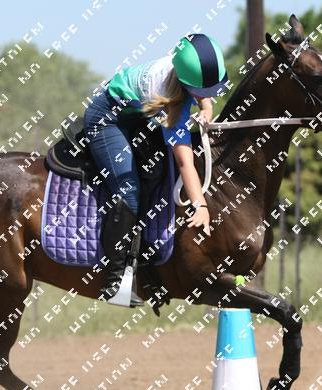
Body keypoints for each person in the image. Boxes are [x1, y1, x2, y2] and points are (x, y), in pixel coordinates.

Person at [84, 33, 228, 306]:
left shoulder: (183, 70)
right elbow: (184, 161)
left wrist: (206, 108)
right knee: (128, 189)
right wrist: (200, 205)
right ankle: (115, 283)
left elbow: (201, 91)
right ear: (185, 82)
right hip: (108, 118)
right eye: (202, 92)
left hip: (138, 113)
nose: (208, 95)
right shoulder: (168, 96)